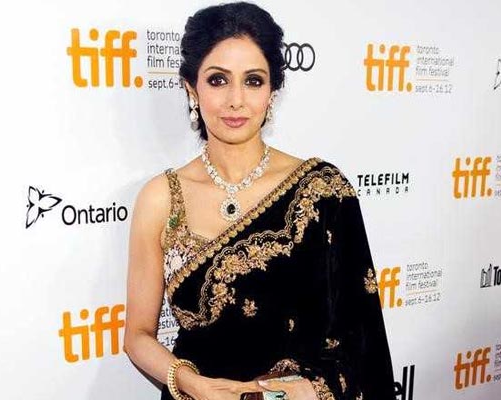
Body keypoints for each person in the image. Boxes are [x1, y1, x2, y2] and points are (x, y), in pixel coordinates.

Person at [123, 2, 396, 399]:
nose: (236, 100)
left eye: (253, 81)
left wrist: (312, 390)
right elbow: (137, 335)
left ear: (272, 92)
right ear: (191, 88)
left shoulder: (323, 191)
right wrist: (192, 384)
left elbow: (362, 337)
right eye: (218, 80)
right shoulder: (161, 197)